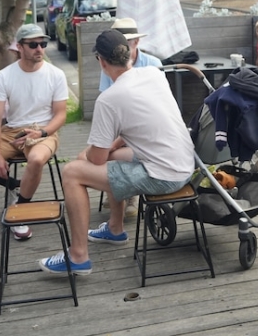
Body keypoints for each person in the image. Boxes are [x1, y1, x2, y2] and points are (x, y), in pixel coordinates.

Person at [37, 30, 193, 276]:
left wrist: (97, 150)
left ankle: (78, 256)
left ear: (101, 61)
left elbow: (96, 160)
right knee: (106, 157)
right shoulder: (153, 73)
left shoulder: (109, 99)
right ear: (130, 52)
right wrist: (110, 146)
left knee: (72, 172)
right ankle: (115, 228)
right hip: (185, 163)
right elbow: (138, 124)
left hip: (164, 175)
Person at [0, 24, 68, 240]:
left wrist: (41, 133)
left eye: (43, 43)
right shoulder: (5, 75)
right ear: (19, 47)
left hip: (42, 130)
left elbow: (60, 114)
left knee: (37, 160)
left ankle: (20, 208)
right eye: (33, 44)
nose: (39, 48)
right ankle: (11, 184)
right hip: (11, 131)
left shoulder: (56, 74)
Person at [98, 17, 162, 218]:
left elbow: (157, 110)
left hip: (148, 130)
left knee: (97, 156)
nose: (122, 50)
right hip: (120, 125)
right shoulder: (108, 67)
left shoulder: (153, 65)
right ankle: (122, 192)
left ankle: (126, 193)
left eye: (126, 45)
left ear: (137, 43)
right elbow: (108, 104)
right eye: (119, 46)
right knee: (105, 147)